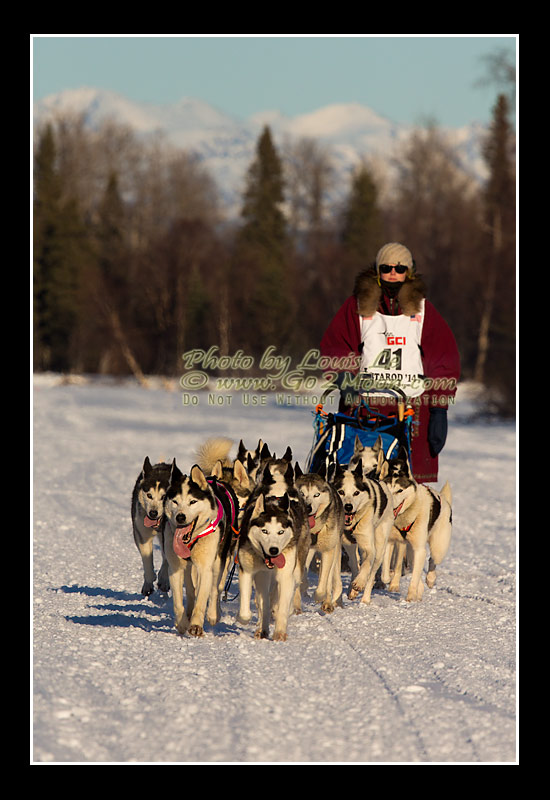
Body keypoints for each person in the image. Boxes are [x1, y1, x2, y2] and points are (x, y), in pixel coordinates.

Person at [320, 242, 460, 484]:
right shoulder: (356, 307)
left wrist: (439, 407)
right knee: (356, 481)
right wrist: (345, 380)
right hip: (363, 407)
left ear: (409, 272)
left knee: (405, 485)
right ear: (377, 271)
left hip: (411, 408)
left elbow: (443, 358)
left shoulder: (424, 311)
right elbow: (336, 346)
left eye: (399, 268)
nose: (393, 273)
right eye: (386, 268)